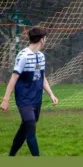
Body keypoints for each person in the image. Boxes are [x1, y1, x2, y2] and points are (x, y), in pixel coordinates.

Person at [1, 27, 59, 156]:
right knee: (31, 130)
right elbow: (13, 78)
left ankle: (10, 156)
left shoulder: (41, 57)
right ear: (42, 40)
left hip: (36, 99)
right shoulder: (23, 56)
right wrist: (6, 100)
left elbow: (42, 77)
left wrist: (51, 94)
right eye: (45, 38)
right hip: (24, 100)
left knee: (25, 128)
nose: (46, 40)